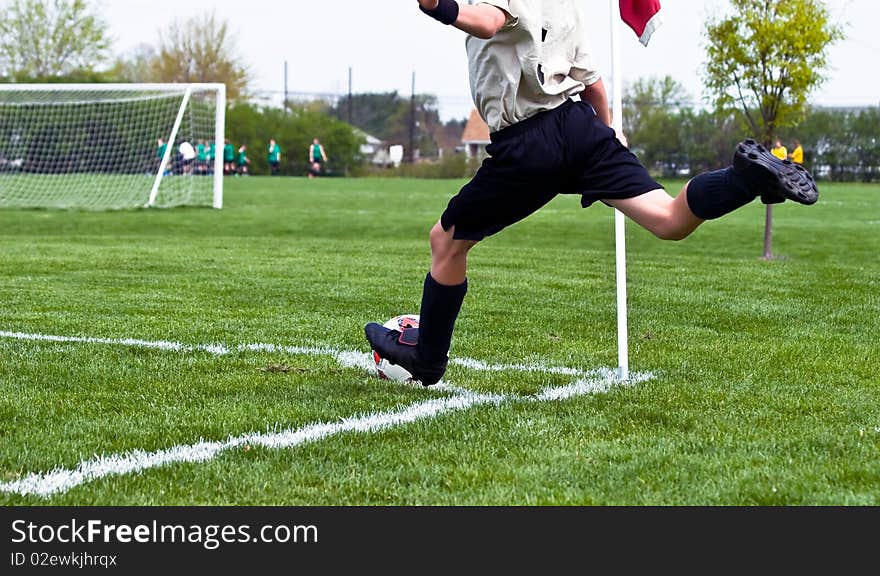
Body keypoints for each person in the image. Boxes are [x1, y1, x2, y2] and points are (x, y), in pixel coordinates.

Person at [363, 0, 819, 387]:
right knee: (669, 219)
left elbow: (490, 21)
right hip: (581, 124)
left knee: (446, 241)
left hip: (528, 142)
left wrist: (435, 6)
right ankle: (746, 179)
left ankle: (427, 358)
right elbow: (594, 84)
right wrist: (609, 140)